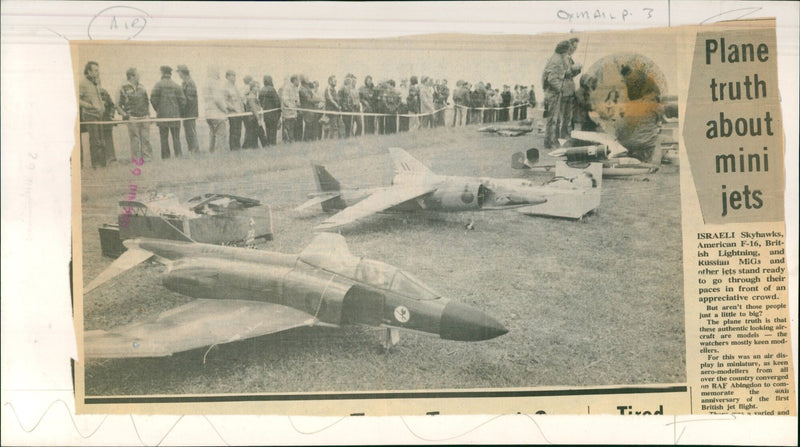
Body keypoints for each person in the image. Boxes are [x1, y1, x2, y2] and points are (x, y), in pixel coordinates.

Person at [543, 39, 582, 148]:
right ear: (564, 50)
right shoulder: (557, 60)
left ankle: (556, 140)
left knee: (560, 118)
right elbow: (552, 79)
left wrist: (575, 70)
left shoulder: (561, 58)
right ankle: (551, 141)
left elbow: (564, 74)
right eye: (570, 48)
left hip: (563, 92)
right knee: (555, 119)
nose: (572, 50)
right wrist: (560, 89)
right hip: (557, 93)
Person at [150, 65, 186, 159]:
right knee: (176, 138)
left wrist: (158, 109)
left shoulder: (158, 85)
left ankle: (166, 158)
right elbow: (183, 101)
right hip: (175, 116)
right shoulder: (176, 86)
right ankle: (179, 156)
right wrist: (179, 112)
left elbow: (153, 99)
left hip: (162, 116)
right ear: (170, 74)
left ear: (162, 73)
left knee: (164, 138)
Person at [117, 67, 153, 161]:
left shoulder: (142, 87)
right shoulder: (123, 88)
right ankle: (136, 160)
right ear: (132, 76)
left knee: (146, 139)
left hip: (144, 117)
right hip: (132, 118)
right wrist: (125, 115)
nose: (139, 76)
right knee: (135, 139)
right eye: (138, 74)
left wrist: (148, 115)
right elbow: (118, 105)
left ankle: (147, 158)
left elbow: (146, 101)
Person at [78, 61, 106, 168]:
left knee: (101, 140)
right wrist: (88, 105)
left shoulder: (97, 82)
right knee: (94, 140)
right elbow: (77, 99)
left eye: (98, 70)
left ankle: (103, 165)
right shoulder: (83, 83)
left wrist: (101, 105)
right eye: (95, 70)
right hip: (90, 115)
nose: (97, 72)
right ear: (88, 71)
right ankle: (96, 164)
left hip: (99, 115)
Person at [203, 66, 228, 152]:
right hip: (217, 114)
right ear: (214, 72)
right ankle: (220, 155)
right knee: (221, 135)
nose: (219, 74)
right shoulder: (214, 82)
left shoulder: (206, 83)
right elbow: (217, 99)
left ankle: (212, 154)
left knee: (212, 135)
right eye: (218, 72)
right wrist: (224, 110)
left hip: (208, 114)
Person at [176, 64, 199, 154]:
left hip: (190, 113)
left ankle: (194, 150)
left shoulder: (190, 82)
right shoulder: (185, 82)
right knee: (188, 132)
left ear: (183, 72)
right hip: (187, 113)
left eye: (179, 72)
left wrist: (181, 107)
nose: (178, 74)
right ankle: (192, 150)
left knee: (191, 132)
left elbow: (189, 99)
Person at [223, 70, 245, 150]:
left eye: (235, 75)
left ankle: (237, 147)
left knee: (238, 130)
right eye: (232, 75)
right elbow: (225, 101)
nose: (234, 77)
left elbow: (239, 99)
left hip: (239, 113)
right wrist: (232, 108)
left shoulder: (235, 86)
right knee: (234, 130)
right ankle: (233, 148)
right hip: (233, 113)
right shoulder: (226, 87)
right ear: (227, 76)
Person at [243, 80, 267, 148]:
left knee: (255, 134)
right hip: (253, 119)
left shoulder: (253, 96)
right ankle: (265, 146)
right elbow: (253, 108)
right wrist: (258, 119)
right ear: (253, 87)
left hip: (254, 118)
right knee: (256, 135)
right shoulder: (251, 96)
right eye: (257, 87)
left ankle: (264, 146)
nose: (259, 88)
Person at [259, 75, 281, 146]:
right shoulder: (272, 89)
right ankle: (273, 143)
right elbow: (277, 102)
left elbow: (260, 101)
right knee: (273, 130)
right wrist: (279, 111)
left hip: (266, 113)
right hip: (273, 113)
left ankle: (269, 143)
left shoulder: (261, 90)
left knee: (268, 129)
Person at [99, 84, 117, 163]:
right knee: (98, 141)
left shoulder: (104, 92)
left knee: (108, 139)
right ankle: (101, 160)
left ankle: (111, 158)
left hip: (106, 120)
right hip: (96, 120)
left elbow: (112, 105)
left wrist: (111, 115)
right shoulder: (89, 93)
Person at [280, 75, 300, 143]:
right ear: (294, 80)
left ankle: (291, 139)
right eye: (298, 80)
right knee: (287, 126)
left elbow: (296, 99)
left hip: (293, 112)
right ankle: (286, 140)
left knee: (292, 126)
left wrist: (297, 103)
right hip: (288, 112)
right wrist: (290, 106)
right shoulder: (287, 88)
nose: (299, 82)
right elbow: (285, 100)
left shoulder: (296, 88)